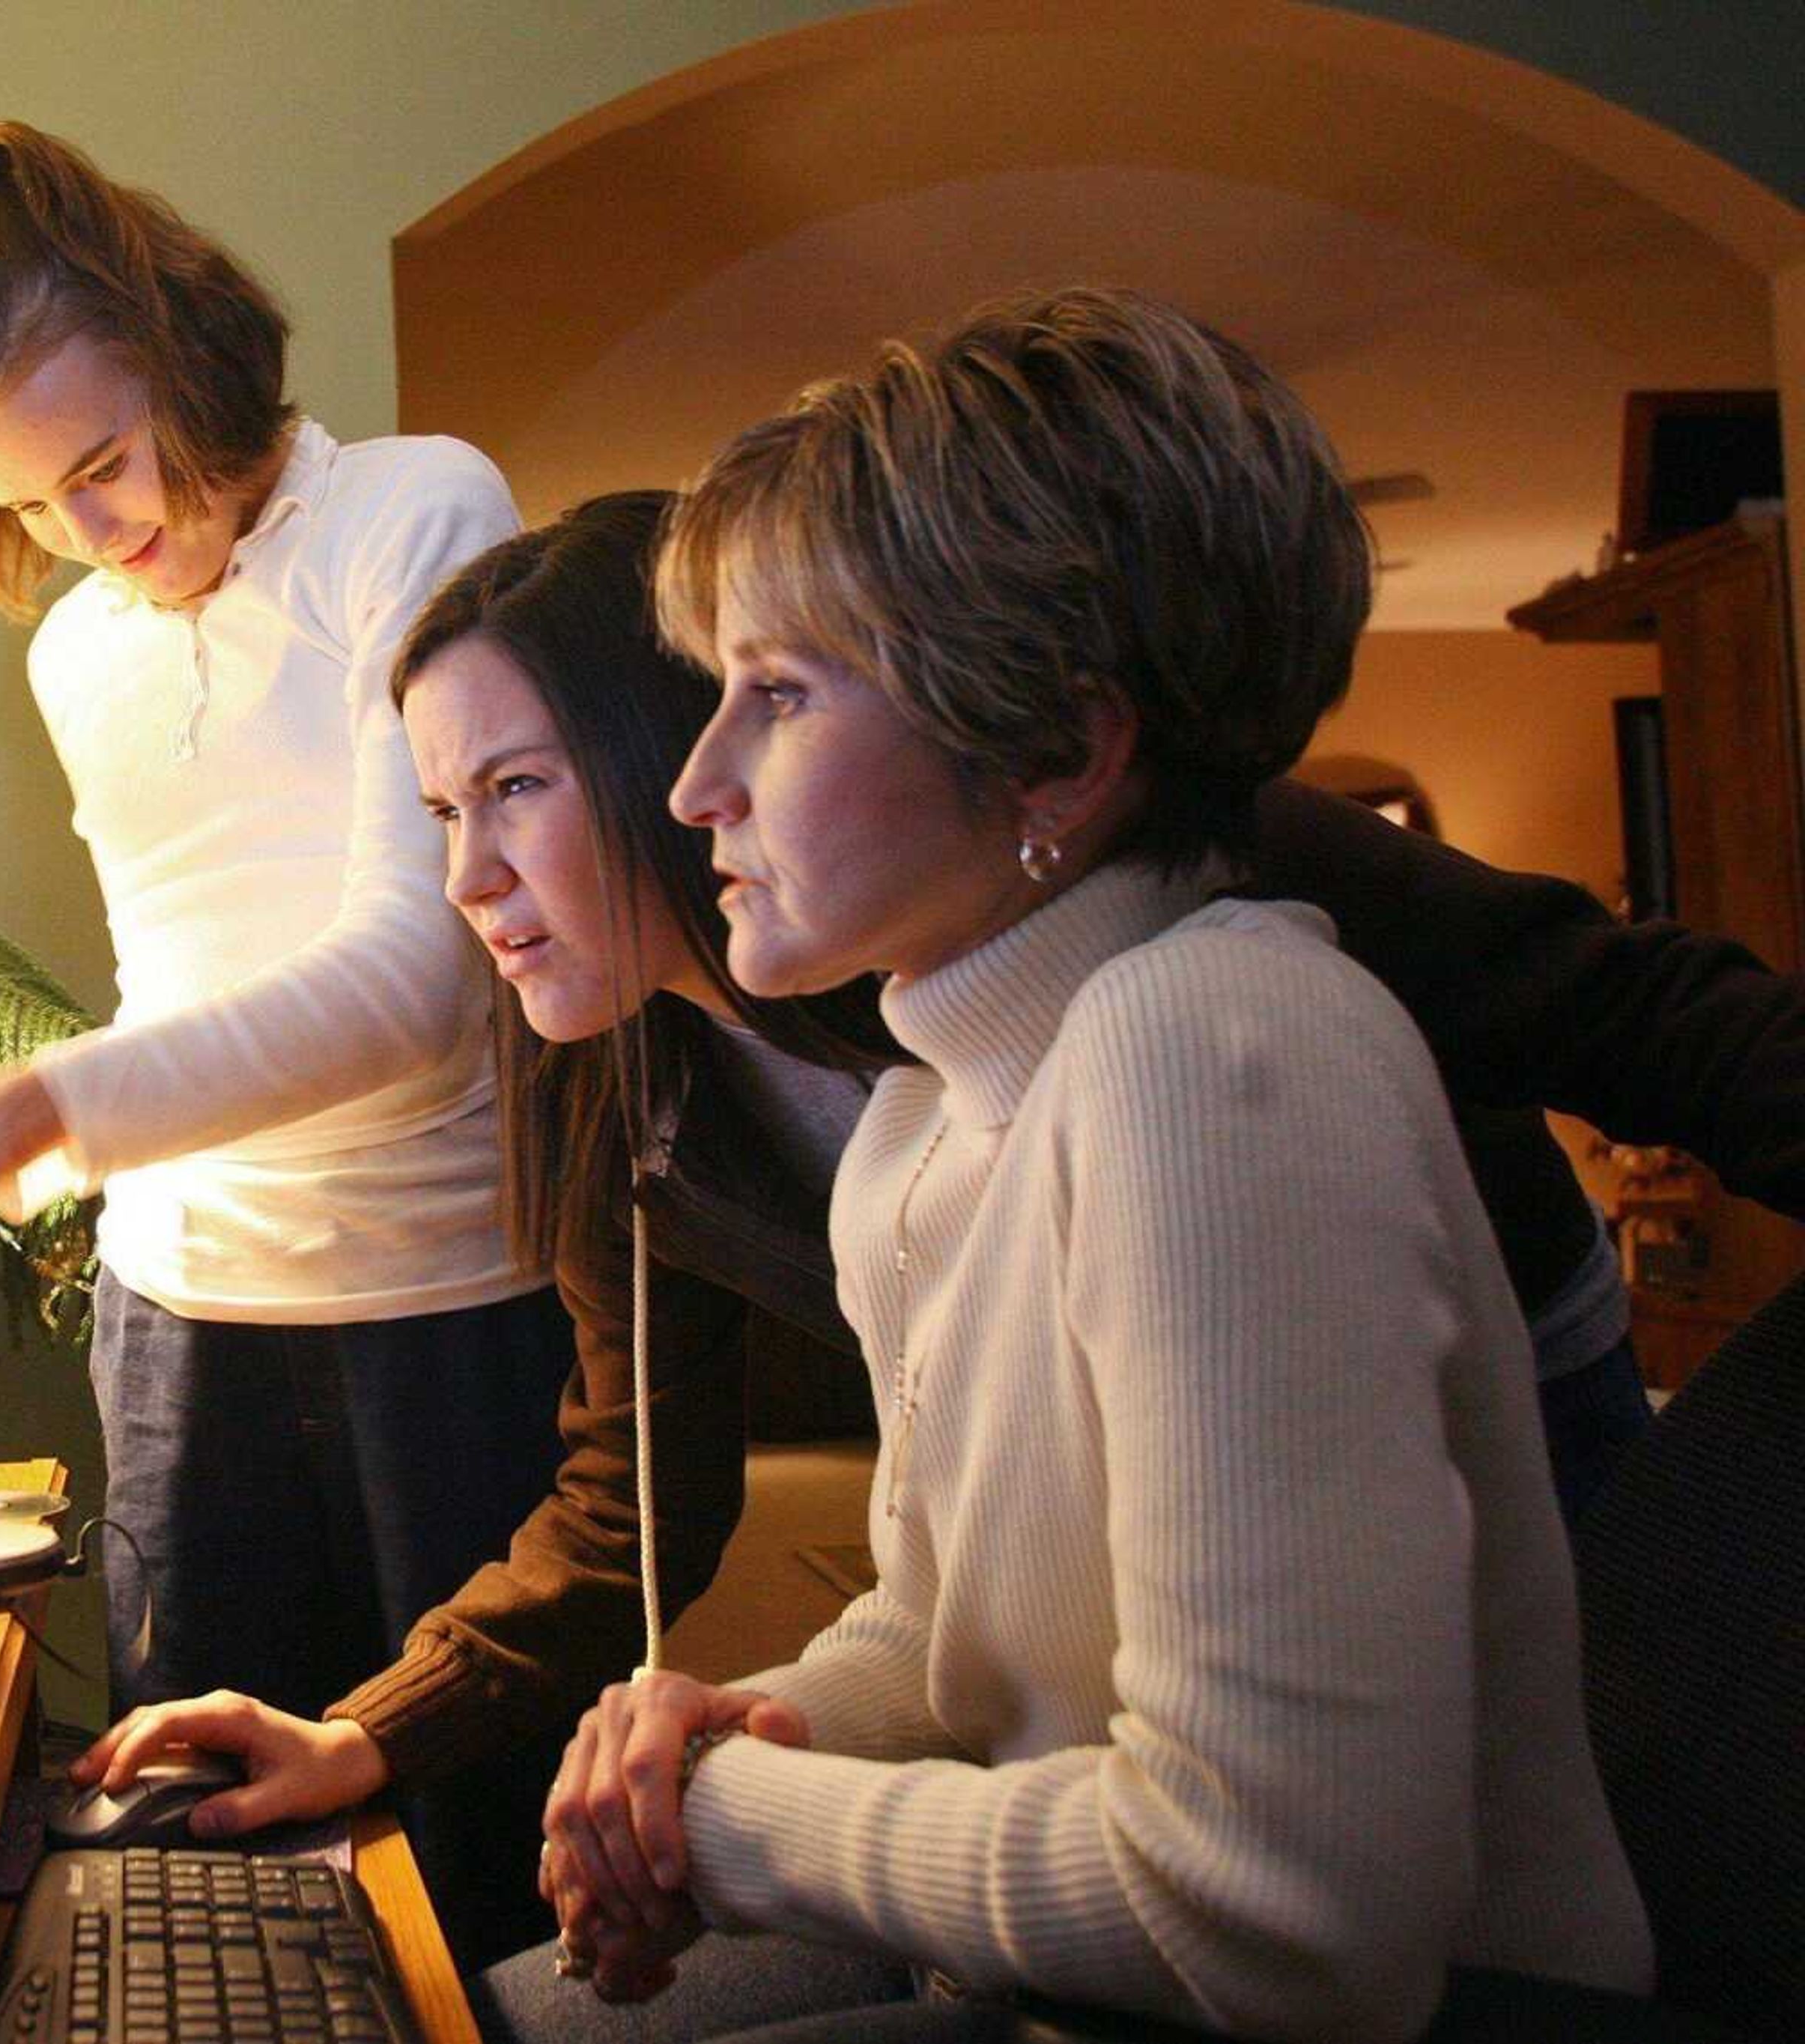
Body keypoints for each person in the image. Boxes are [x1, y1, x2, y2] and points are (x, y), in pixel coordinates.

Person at [518, 288, 1651, 2043]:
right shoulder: (919, 1129)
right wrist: (744, 1731)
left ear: (1059, 743)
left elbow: (1285, 1921)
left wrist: (743, 1827)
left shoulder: (1213, 1053)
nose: (695, 788)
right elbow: (946, 1639)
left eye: (779, 698)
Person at [0, 121, 572, 1956]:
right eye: (29, 501)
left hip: (443, 1318)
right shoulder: (77, 656)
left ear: (184, 349)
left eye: (105, 465)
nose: (91, 537)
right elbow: (180, 989)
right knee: (207, 1898)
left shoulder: (412, 512)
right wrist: (26, 1152)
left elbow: (413, 991)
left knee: (485, 1903)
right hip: (178, 1335)